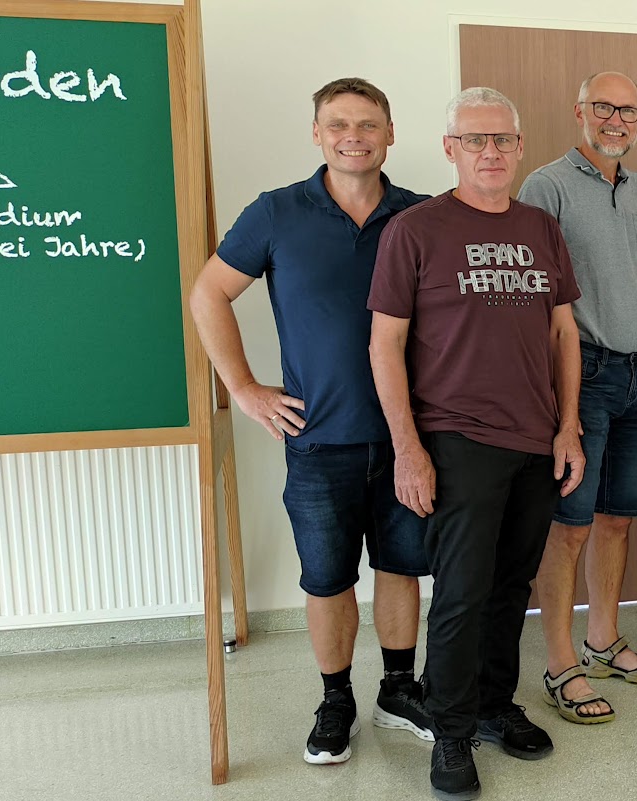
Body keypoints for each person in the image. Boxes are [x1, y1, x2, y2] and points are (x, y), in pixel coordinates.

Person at [189, 77, 434, 766]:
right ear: (317, 134)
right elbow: (208, 292)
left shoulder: (418, 216)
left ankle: (397, 687)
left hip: (406, 437)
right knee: (326, 577)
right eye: (337, 124)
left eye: (367, 123)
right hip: (318, 439)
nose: (352, 135)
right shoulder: (274, 213)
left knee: (400, 566)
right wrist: (242, 386)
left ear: (390, 133)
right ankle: (336, 699)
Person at [368, 86, 585, 800]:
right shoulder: (417, 228)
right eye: (474, 140)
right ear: (449, 148)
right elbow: (385, 344)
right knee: (460, 593)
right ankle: (452, 732)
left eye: (501, 140)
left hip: (534, 438)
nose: (489, 152)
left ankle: (495, 706)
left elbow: (562, 332)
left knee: (509, 588)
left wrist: (568, 426)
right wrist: (408, 449)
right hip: (457, 437)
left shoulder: (540, 226)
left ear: (520, 147)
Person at [519, 71, 637, 726]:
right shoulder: (546, 185)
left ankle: (602, 639)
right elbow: (535, 298)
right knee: (570, 526)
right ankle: (560, 662)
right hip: (580, 376)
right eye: (604, 107)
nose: (617, 119)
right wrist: (557, 405)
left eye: (629, 110)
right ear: (579, 110)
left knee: (618, 519)